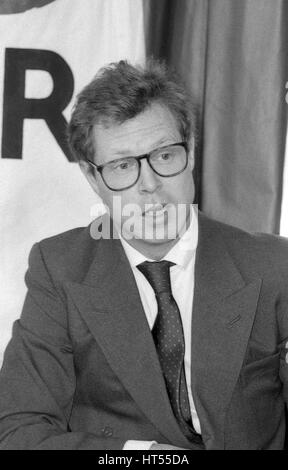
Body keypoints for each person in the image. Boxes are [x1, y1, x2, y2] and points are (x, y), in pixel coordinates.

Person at [0, 59, 287, 450]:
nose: (149, 185)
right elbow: (20, 430)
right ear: (92, 177)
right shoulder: (59, 268)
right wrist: (145, 458)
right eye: (122, 166)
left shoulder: (273, 266)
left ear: (191, 151)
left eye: (165, 156)